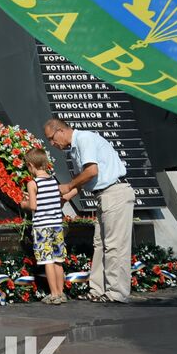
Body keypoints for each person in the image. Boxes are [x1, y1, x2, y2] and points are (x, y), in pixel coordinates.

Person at [43, 117, 133, 303]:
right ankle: (98, 290)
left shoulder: (84, 139)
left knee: (115, 245)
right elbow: (84, 181)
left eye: (51, 138)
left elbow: (92, 171)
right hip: (103, 196)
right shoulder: (75, 148)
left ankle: (117, 293)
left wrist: (67, 187)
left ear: (60, 130)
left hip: (114, 193)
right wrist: (62, 199)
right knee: (100, 244)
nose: (52, 144)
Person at [21, 147, 67, 304]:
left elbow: (33, 206)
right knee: (58, 260)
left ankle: (53, 294)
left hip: (42, 227)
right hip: (57, 226)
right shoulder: (54, 180)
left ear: (31, 165)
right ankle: (61, 293)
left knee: (47, 260)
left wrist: (24, 203)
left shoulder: (32, 183)